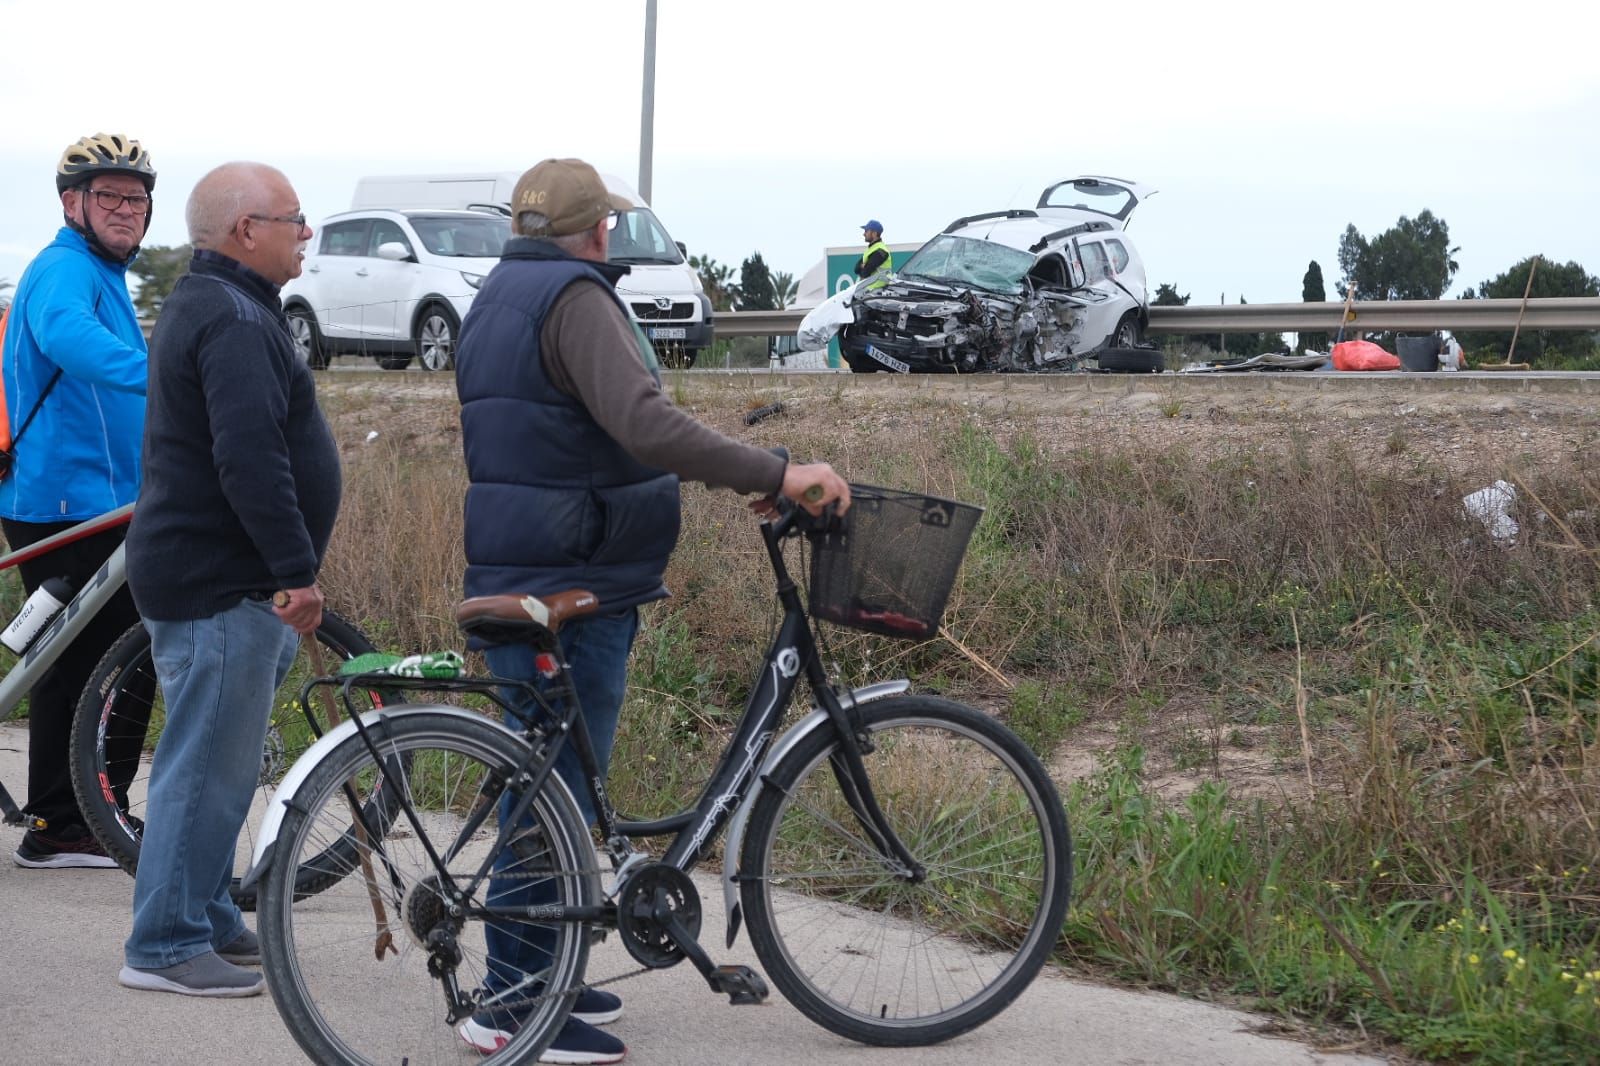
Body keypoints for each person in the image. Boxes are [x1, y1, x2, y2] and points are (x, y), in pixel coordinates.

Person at [454, 157, 850, 1065]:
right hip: (574, 572)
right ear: (599, 232)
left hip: (532, 556)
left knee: (544, 780)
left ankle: (541, 963)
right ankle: (514, 1004)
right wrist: (777, 472)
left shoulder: (498, 295)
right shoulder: (577, 298)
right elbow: (643, 424)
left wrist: (739, 473)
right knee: (544, 791)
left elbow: (570, 425)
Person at [117, 162, 339, 998]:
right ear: (248, 230)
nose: (306, 232)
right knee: (206, 764)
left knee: (225, 761)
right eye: (295, 218)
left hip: (215, 579)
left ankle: (204, 913)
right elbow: (250, 461)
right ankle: (166, 945)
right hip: (220, 581)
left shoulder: (219, 304)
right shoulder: (236, 319)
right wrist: (294, 571)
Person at [1, 132, 156, 869]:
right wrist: (172, 374)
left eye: (137, 197)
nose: (127, 209)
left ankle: (71, 819)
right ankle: (70, 822)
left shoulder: (99, 271)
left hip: (95, 498)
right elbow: (71, 342)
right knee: (103, 658)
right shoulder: (65, 271)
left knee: (81, 658)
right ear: (73, 203)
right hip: (68, 503)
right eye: (110, 196)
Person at [854, 218, 892, 289]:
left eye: (866, 231)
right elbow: (856, 269)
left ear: (874, 233)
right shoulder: (871, 249)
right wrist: (862, 266)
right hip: (870, 292)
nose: (864, 234)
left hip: (878, 291)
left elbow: (865, 272)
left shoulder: (881, 251)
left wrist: (863, 266)